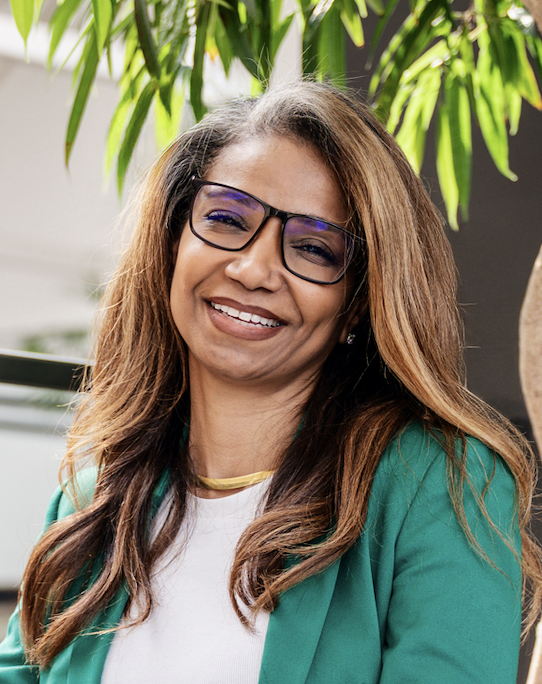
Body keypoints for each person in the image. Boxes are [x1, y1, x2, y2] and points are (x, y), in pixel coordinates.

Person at [0, 81, 540, 684]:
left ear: (358, 304)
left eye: (313, 248)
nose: (253, 269)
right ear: (172, 243)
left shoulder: (440, 486)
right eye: (226, 219)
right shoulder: (97, 490)